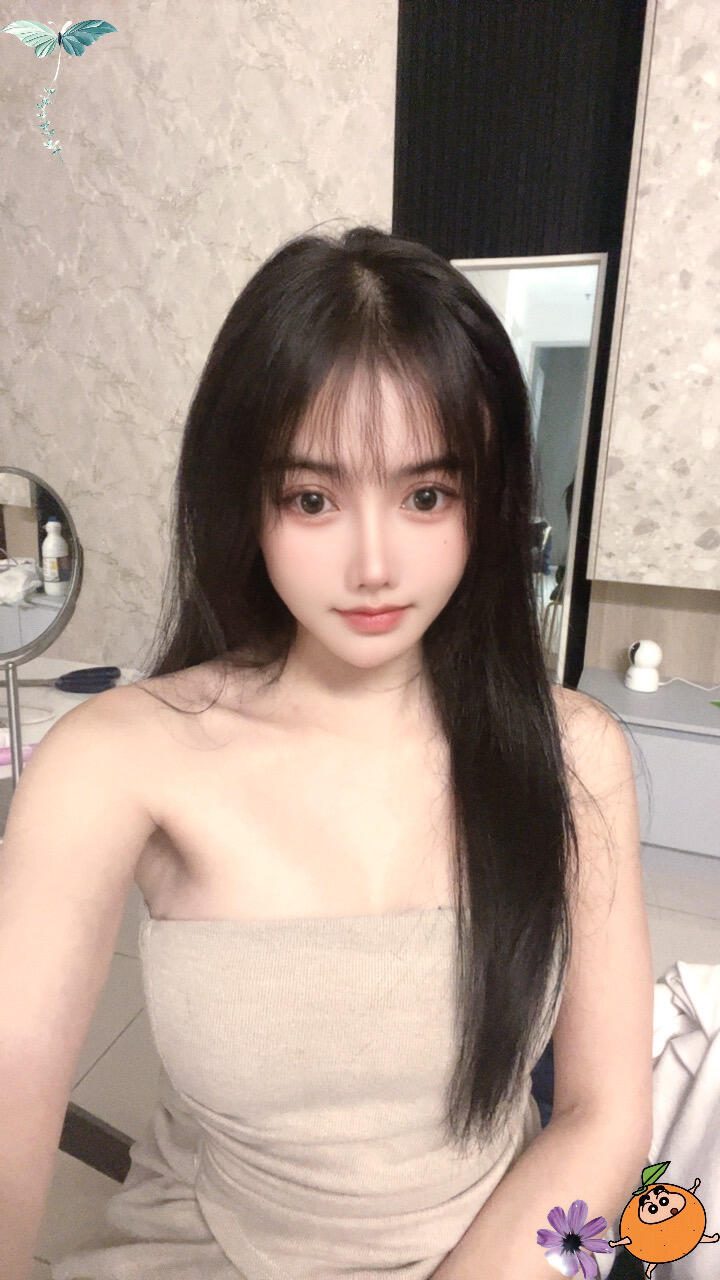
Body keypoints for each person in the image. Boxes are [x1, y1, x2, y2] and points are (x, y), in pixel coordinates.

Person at [0, 225, 653, 1280]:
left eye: (426, 495)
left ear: (486, 501)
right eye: (313, 499)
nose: (374, 562)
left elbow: (605, 1114)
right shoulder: (120, 758)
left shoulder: (574, 752)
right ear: (247, 501)